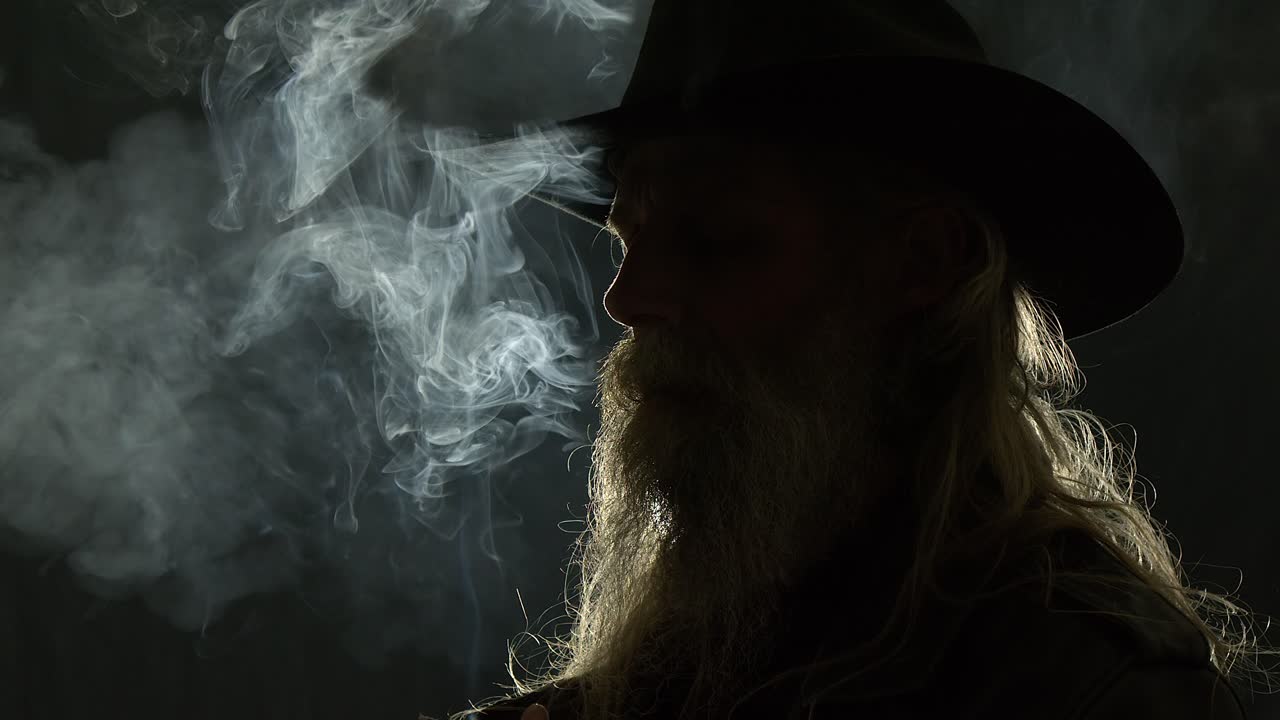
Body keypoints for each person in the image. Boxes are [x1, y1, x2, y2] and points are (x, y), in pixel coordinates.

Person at [436, 1, 1276, 718]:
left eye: (715, 239)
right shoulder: (679, 670)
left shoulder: (1089, 688)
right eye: (631, 242)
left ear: (921, 262)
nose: (627, 299)